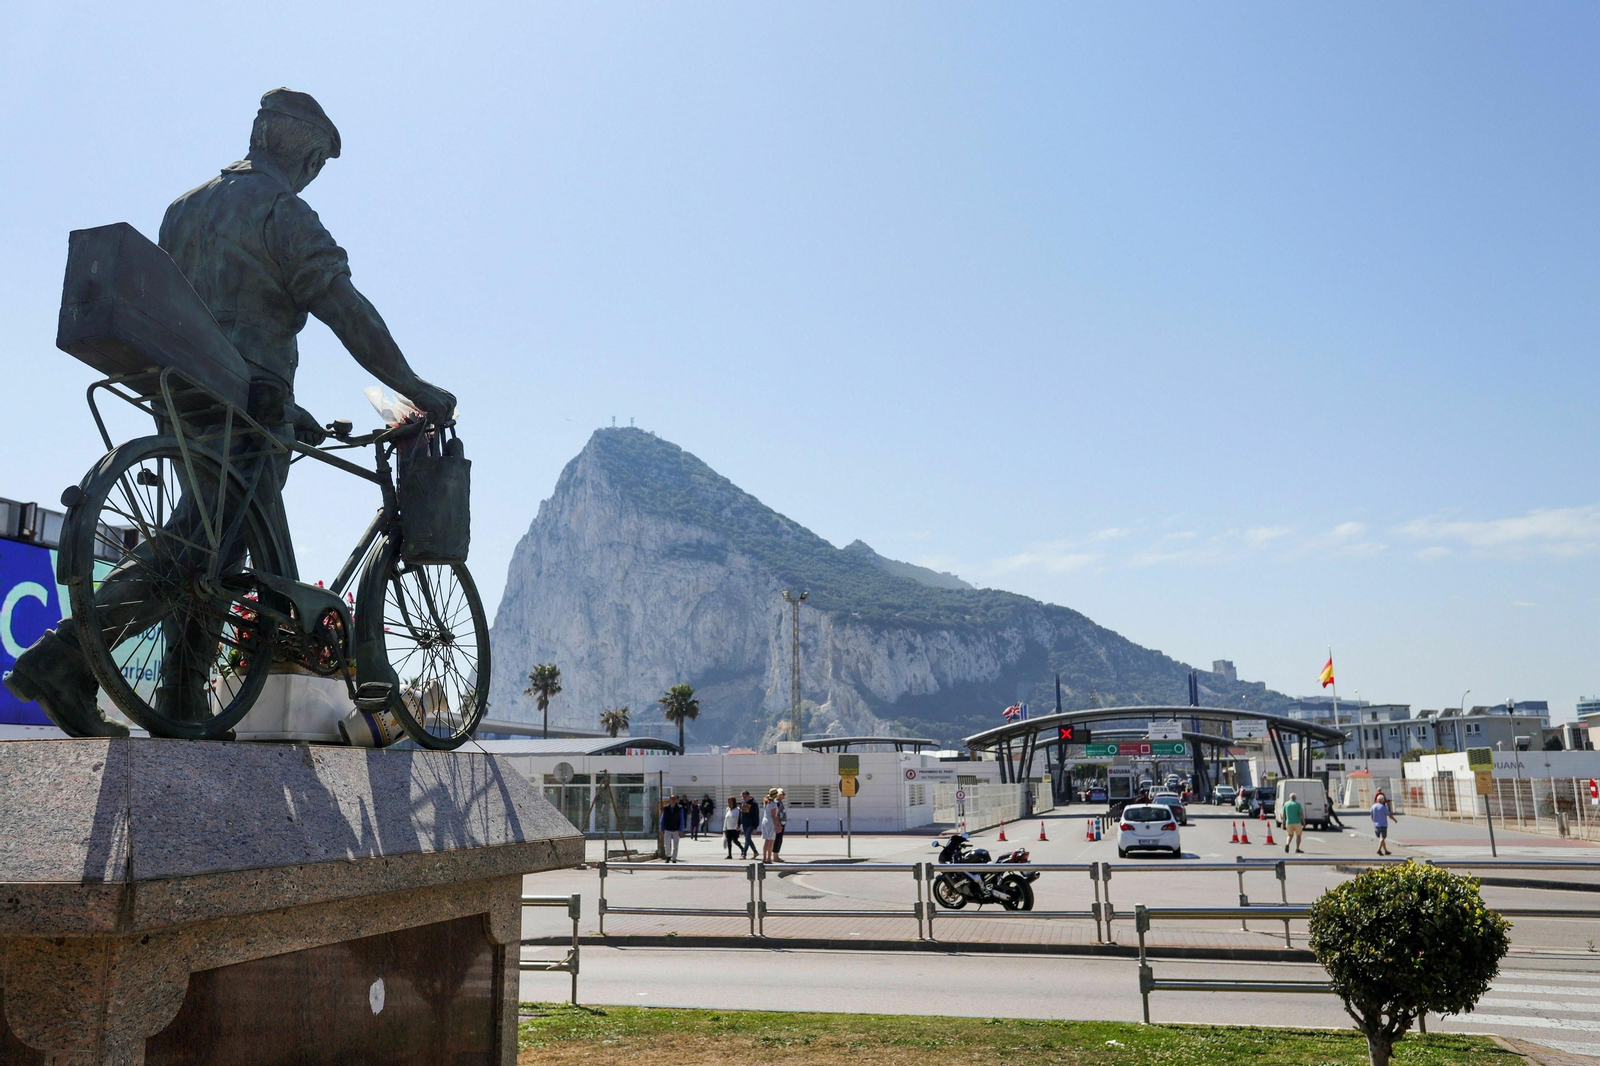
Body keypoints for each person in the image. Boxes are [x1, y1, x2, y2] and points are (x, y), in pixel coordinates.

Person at [4, 88, 456, 738]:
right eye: (316, 162)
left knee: (208, 553)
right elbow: (346, 312)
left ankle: (184, 700)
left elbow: (216, 318)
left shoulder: (183, 210)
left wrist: (288, 404)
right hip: (247, 411)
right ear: (296, 148)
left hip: (186, 394)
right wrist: (412, 383)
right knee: (200, 545)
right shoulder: (284, 212)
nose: (312, 175)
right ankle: (64, 657)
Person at [1371, 790, 1397, 856]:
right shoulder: (1383, 807)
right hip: (1383, 824)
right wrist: (1394, 820)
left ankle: (1385, 850)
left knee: (1381, 838)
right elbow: (1389, 815)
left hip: (1376, 824)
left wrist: (1373, 820)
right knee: (1382, 837)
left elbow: (1371, 815)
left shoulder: (1373, 806)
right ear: (1382, 800)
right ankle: (1379, 850)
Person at [660, 796, 683, 863]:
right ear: (669, 800)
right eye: (672, 799)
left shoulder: (679, 808)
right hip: (667, 828)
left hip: (676, 829)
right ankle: (668, 856)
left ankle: (674, 858)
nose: (673, 800)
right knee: (667, 844)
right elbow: (662, 819)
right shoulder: (666, 808)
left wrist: (681, 829)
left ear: (676, 800)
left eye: (674, 799)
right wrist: (662, 828)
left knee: (675, 845)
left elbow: (681, 819)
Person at [760, 788, 780, 863]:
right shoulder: (773, 804)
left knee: (766, 840)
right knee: (771, 841)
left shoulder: (766, 803)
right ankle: (768, 858)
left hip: (765, 820)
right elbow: (774, 815)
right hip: (770, 822)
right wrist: (778, 825)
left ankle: (764, 857)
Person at [738, 791, 759, 859]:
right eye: (742, 797)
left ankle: (744, 853)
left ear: (749, 796)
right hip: (744, 824)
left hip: (751, 824)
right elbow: (740, 814)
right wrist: (738, 824)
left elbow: (756, 815)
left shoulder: (754, 804)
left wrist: (755, 826)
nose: (743, 798)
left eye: (745, 797)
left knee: (747, 838)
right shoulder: (742, 803)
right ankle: (755, 852)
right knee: (748, 838)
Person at [771, 788, 789, 862]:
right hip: (779, 824)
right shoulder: (776, 803)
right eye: (782, 794)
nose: (783, 796)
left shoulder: (780, 802)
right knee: (777, 839)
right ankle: (775, 856)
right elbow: (776, 815)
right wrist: (779, 825)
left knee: (779, 839)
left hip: (782, 823)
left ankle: (776, 854)